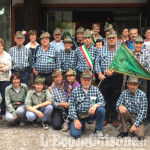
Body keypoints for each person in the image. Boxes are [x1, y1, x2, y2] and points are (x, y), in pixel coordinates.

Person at [95, 30, 123, 127]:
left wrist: (113, 71)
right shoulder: (101, 49)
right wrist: (99, 73)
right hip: (104, 78)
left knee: (115, 98)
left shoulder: (120, 50)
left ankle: (114, 117)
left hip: (116, 78)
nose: (111, 40)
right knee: (105, 98)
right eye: (109, 38)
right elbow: (96, 63)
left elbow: (123, 64)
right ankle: (106, 117)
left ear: (116, 39)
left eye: (113, 38)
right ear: (106, 39)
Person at [69, 69, 106, 139]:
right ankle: (81, 125)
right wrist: (75, 120)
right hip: (80, 116)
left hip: (91, 115)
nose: (86, 82)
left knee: (101, 110)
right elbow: (72, 106)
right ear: (81, 80)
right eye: (84, 80)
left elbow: (102, 101)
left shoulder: (95, 89)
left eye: (88, 80)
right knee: (74, 134)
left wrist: (95, 106)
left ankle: (98, 130)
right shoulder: (75, 91)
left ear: (91, 80)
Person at [0, 38, 11, 121]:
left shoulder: (7, 55)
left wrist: (3, 67)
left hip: (5, 79)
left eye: (0, 46)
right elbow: (6, 66)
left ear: (3, 46)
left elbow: (9, 67)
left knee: (4, 97)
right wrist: (3, 66)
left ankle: (3, 113)